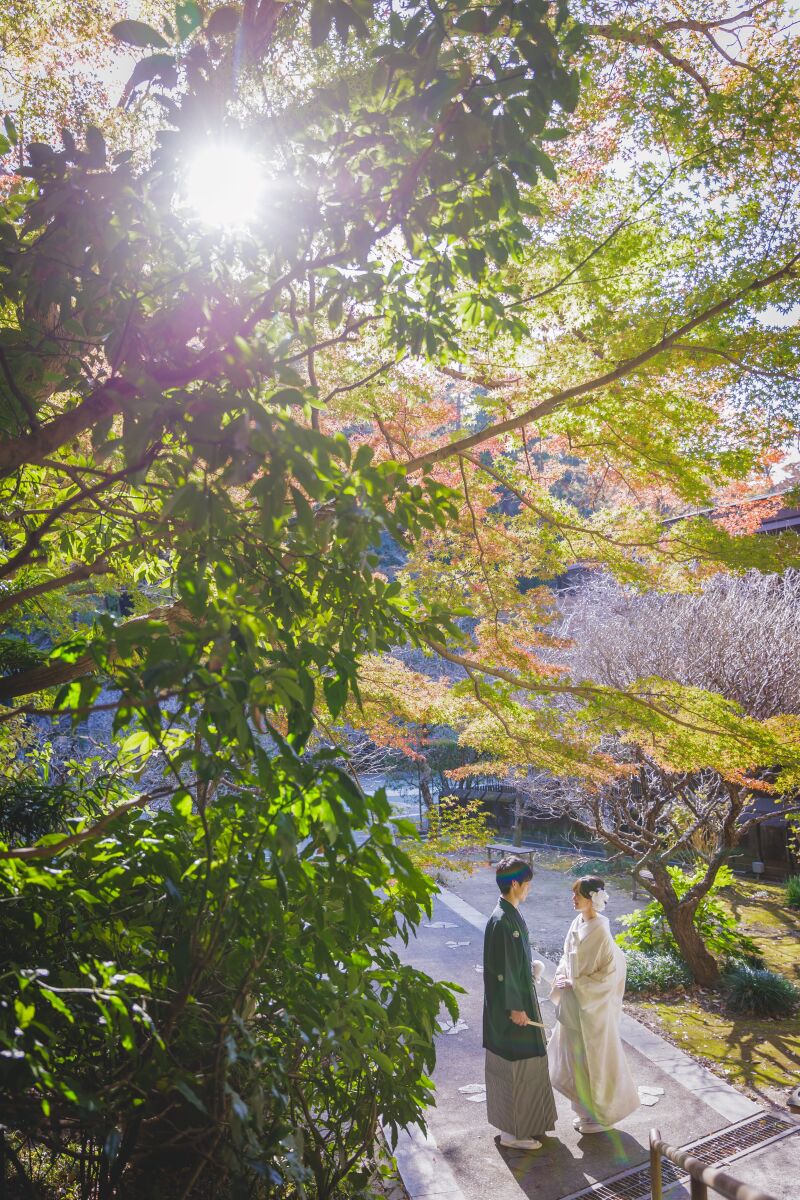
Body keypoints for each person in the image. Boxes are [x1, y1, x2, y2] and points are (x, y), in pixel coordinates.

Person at [547, 876, 639, 1134]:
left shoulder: (601, 931)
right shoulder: (577, 922)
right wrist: (563, 976)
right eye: (574, 893)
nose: (573, 898)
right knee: (573, 1058)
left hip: (592, 1008)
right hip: (575, 1003)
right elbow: (566, 958)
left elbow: (609, 974)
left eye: (578, 895)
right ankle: (583, 1112)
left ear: (592, 899)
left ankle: (599, 1116)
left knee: (593, 1061)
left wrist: (577, 983)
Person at [483, 855, 557, 1151]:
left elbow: (514, 963)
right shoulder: (503, 920)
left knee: (527, 1063)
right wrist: (515, 1008)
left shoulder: (508, 914)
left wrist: (531, 969)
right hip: (510, 1009)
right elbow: (504, 970)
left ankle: (528, 1124)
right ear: (515, 884)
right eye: (527, 883)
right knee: (515, 1065)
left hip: (518, 1000)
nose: (529, 888)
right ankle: (512, 1133)